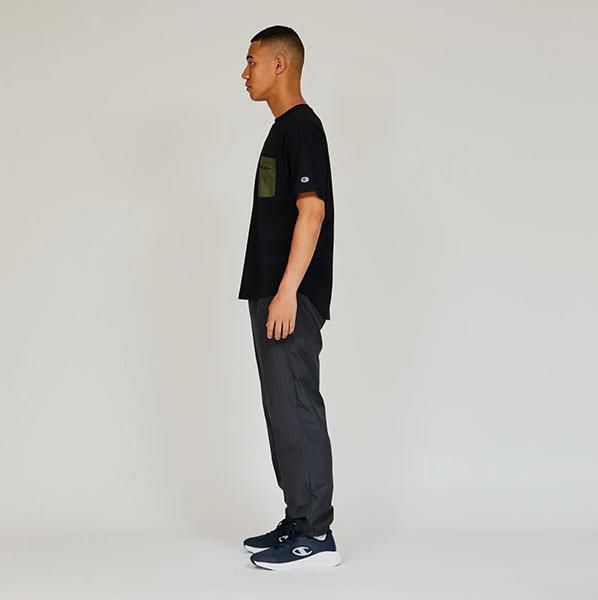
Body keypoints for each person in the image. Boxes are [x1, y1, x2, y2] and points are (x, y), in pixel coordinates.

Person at [237, 25, 341, 571]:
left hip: (288, 299)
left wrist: (287, 293)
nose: (244, 73)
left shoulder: (302, 127)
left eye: (251, 61)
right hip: (273, 295)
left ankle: (316, 536)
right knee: (282, 412)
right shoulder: (282, 131)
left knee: (297, 408)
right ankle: (298, 518)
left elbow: (312, 211)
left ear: (280, 64)